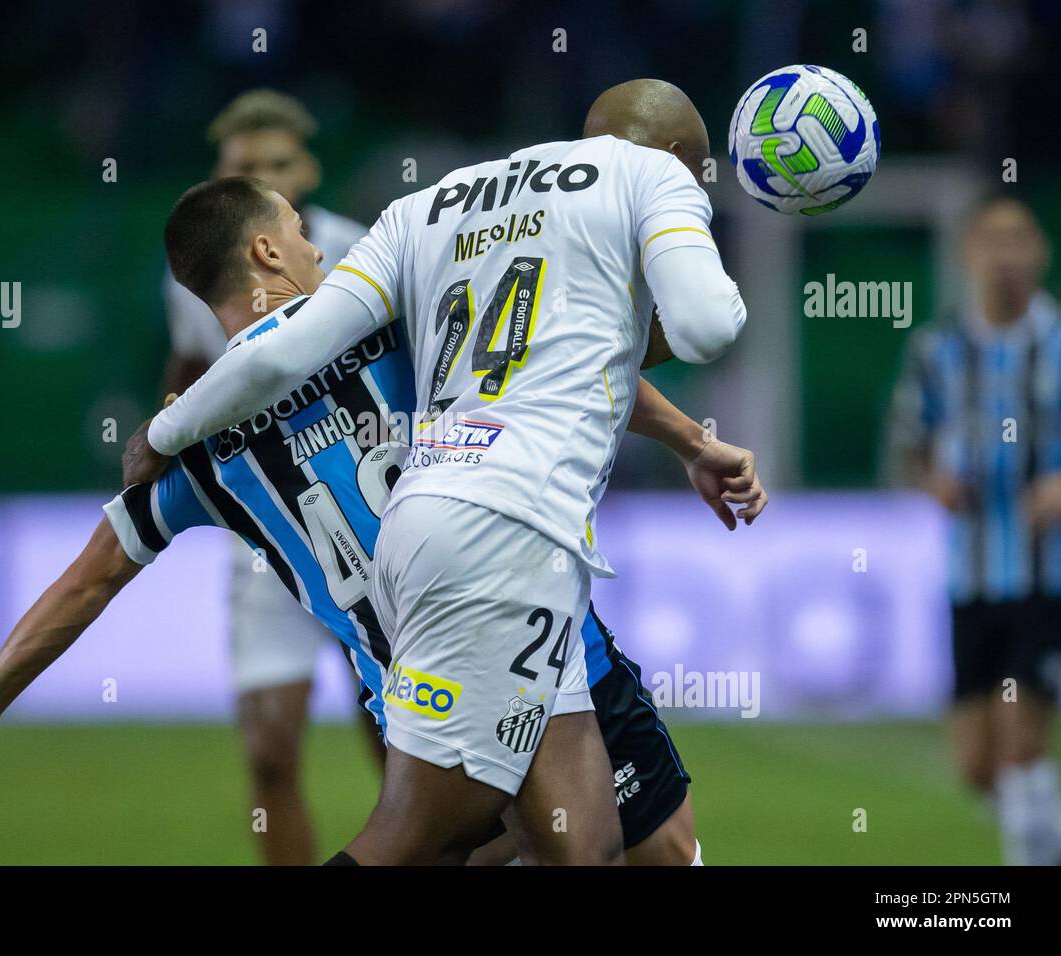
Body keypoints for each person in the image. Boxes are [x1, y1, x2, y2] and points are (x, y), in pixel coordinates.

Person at [0, 177, 766, 867]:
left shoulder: (193, 445)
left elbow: (89, 579)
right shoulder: (387, 322)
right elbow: (543, 362)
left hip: (412, 690)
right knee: (587, 850)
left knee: (647, 848)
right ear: (268, 249)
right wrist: (692, 438)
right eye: (303, 236)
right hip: (519, 613)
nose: (319, 250)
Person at [138, 79, 748, 864]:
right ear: (671, 160)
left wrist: (164, 429)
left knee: (547, 838)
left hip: (417, 521)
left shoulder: (429, 206)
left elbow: (286, 345)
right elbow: (704, 328)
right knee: (433, 837)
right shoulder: (649, 175)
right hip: (519, 528)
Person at [161, 89, 367, 865]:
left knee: (400, 745)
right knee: (271, 748)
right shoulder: (197, 274)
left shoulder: (354, 253)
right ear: (222, 172)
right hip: (269, 540)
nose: (265, 176)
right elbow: (187, 373)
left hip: (365, 524)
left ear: (306, 169)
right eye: (246, 165)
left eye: (277, 163)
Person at [888, 196, 1061, 866]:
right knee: (976, 765)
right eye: (992, 241)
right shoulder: (938, 350)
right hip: (970, 576)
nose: (1006, 256)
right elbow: (910, 441)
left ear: (1040, 253)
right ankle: (1044, 836)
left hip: (1046, 579)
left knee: (1022, 745)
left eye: (1019, 240)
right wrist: (933, 480)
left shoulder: (1055, 341)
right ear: (967, 254)